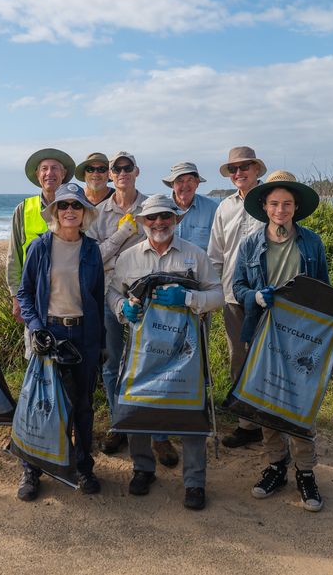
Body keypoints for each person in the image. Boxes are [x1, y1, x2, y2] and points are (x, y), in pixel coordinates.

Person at [107, 194, 223, 510]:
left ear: (175, 220)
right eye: (152, 218)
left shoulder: (195, 256)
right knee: (137, 408)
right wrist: (121, 307)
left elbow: (218, 295)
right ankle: (143, 469)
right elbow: (113, 292)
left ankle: (194, 482)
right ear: (143, 222)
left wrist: (187, 299)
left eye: (165, 217)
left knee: (190, 415)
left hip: (185, 354)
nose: (159, 223)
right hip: (142, 354)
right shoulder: (129, 258)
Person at [232, 170, 329, 512]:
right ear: (264, 205)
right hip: (262, 331)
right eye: (274, 203)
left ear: (295, 207)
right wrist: (255, 298)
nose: (280, 210)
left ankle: (305, 472)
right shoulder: (250, 244)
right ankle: (276, 466)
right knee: (267, 400)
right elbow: (238, 287)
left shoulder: (312, 243)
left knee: (300, 404)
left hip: (302, 337)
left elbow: (325, 292)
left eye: (287, 204)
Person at [16, 182, 105, 501]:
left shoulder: (92, 249)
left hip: (84, 335)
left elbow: (97, 296)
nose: (69, 211)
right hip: (49, 335)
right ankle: (32, 469)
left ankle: (83, 467)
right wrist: (36, 327)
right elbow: (24, 293)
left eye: (76, 206)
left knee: (82, 405)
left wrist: (101, 343)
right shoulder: (40, 246)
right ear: (55, 211)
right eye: (64, 205)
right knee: (42, 404)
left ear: (84, 213)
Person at [87, 151, 148, 456]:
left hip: (148, 297)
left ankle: (154, 431)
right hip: (110, 294)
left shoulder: (151, 208)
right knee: (112, 363)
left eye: (127, 168)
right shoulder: (99, 214)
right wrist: (124, 234)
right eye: (116, 169)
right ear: (110, 176)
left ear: (137, 171)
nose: (122, 173)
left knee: (149, 362)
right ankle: (118, 422)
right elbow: (94, 258)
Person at [207, 146, 268, 449]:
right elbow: (216, 256)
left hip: (270, 298)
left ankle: (274, 421)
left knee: (269, 358)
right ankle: (247, 424)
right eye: (233, 169)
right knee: (239, 359)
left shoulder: (271, 201)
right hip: (234, 297)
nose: (239, 173)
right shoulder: (224, 208)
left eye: (245, 167)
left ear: (257, 169)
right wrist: (210, 292)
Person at [5, 148, 76, 323]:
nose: (49, 173)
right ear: (37, 175)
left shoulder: (76, 208)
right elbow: (14, 256)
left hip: (70, 298)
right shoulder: (23, 209)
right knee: (35, 347)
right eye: (44, 168)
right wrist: (16, 297)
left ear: (64, 173)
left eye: (55, 168)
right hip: (32, 298)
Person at [164, 161, 218, 253]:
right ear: (172, 184)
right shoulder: (160, 208)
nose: (185, 185)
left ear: (197, 183)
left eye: (190, 180)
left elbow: (219, 247)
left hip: (201, 266)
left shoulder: (212, 209)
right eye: (180, 180)